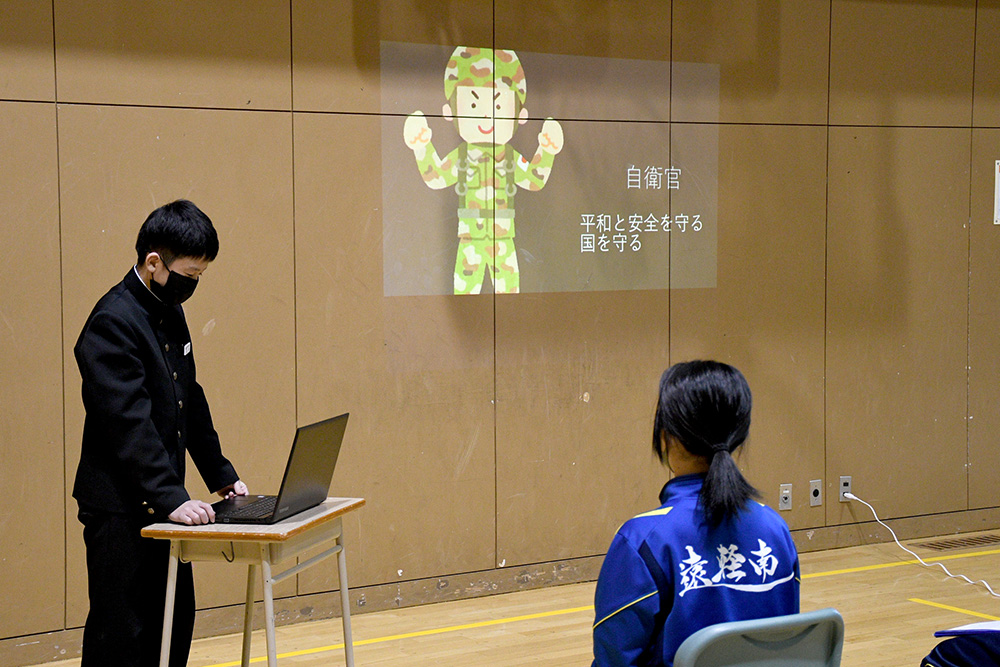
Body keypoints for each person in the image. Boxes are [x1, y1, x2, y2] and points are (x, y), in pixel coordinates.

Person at [73, 199, 249, 667]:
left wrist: (220, 474)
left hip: (159, 500)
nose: (194, 285)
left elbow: (186, 398)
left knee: (173, 626)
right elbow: (128, 424)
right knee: (123, 637)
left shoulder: (167, 308)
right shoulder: (112, 323)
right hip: (118, 509)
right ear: (155, 262)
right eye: (190, 273)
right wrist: (172, 497)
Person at [592, 360, 800, 667]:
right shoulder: (775, 528)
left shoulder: (641, 540)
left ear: (666, 437)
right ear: (739, 436)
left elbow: (615, 659)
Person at [403, 46, 564, 294]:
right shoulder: (463, 156)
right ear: (450, 112)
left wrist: (547, 151)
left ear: (520, 116)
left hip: (504, 239)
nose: (487, 116)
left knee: (510, 300)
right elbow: (436, 177)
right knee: (465, 296)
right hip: (470, 241)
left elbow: (534, 180)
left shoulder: (509, 157)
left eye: (498, 108)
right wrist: (421, 147)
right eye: (473, 105)